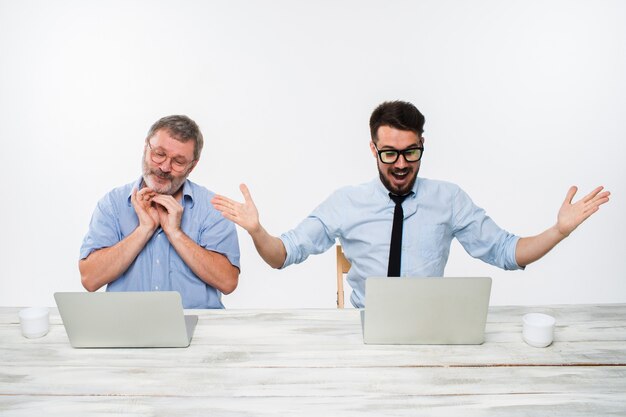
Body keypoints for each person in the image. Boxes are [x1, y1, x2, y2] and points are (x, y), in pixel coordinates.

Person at [211, 101, 610, 308]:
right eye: (389, 153)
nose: (401, 164)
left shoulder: (448, 199)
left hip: (429, 325)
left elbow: (507, 252)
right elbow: (283, 255)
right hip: (366, 327)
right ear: (373, 149)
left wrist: (558, 230)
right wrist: (258, 231)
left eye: (410, 151)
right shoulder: (347, 202)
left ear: (422, 146)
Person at [79, 115, 240, 308]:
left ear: (192, 166)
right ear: (146, 147)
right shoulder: (112, 204)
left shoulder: (212, 208)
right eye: (159, 154)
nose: (164, 167)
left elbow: (228, 282)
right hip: (128, 326)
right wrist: (144, 230)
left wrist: (175, 233)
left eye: (178, 161)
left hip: (198, 326)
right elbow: (90, 278)